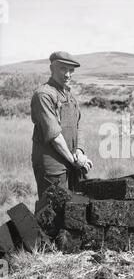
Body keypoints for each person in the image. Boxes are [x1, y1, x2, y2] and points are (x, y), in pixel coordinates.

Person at [31, 51, 93, 200]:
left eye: (71, 70)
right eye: (63, 69)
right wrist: (75, 161)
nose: (68, 74)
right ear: (52, 68)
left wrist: (79, 152)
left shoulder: (69, 95)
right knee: (53, 214)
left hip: (72, 162)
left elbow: (79, 125)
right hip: (53, 168)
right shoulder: (44, 95)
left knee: (74, 211)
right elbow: (54, 136)